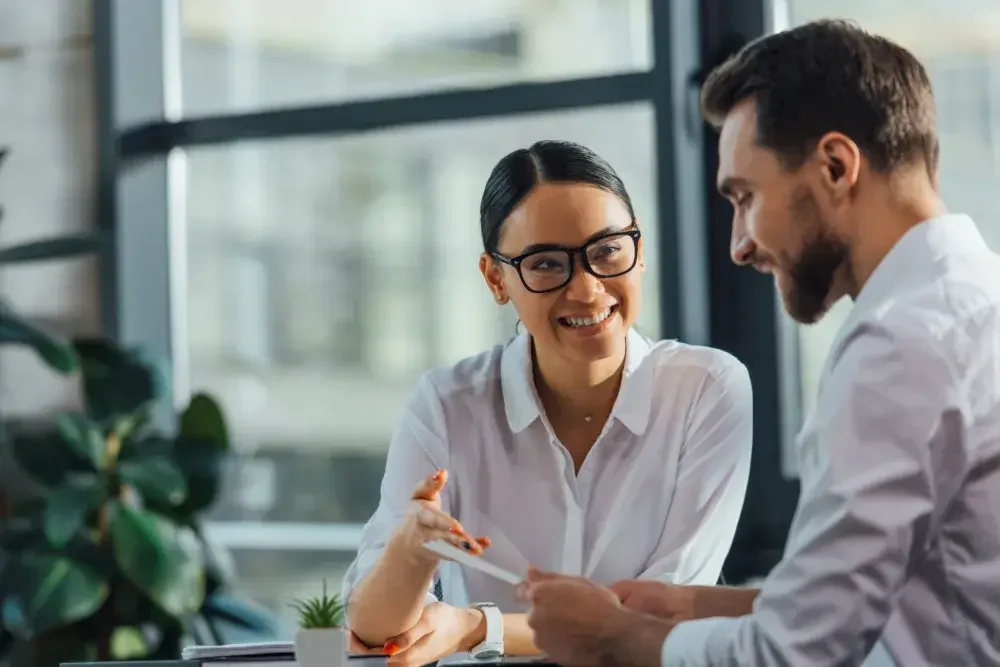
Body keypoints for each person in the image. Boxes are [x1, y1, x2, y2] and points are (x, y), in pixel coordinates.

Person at [519, 19, 1000, 667]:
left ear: (835, 166)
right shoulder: (972, 302)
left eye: (745, 197)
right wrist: (695, 607)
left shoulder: (900, 346)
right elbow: (921, 595)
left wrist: (613, 639)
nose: (739, 244)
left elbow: (795, 655)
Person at [340, 140, 754, 667]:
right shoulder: (446, 404)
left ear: (640, 250)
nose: (586, 290)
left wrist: (477, 627)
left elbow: (663, 611)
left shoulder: (708, 387)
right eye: (546, 264)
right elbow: (372, 630)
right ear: (496, 278)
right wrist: (412, 552)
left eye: (607, 251)